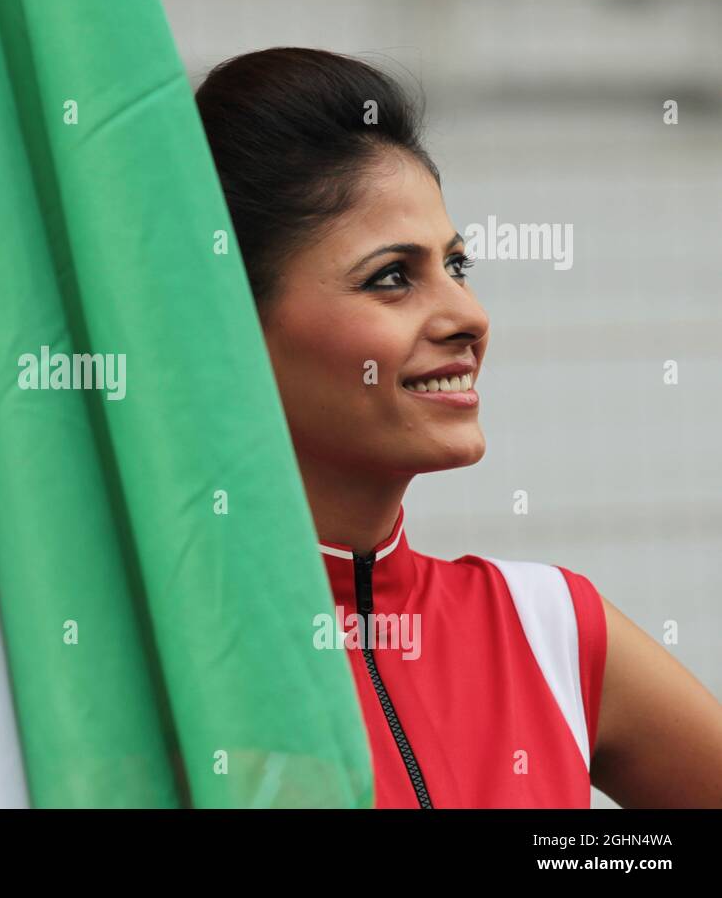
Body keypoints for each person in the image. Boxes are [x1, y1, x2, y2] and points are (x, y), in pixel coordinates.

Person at [196, 47, 722, 808]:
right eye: (391, 277)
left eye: (457, 267)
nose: (469, 317)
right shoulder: (141, 659)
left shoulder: (548, 627)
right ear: (228, 327)